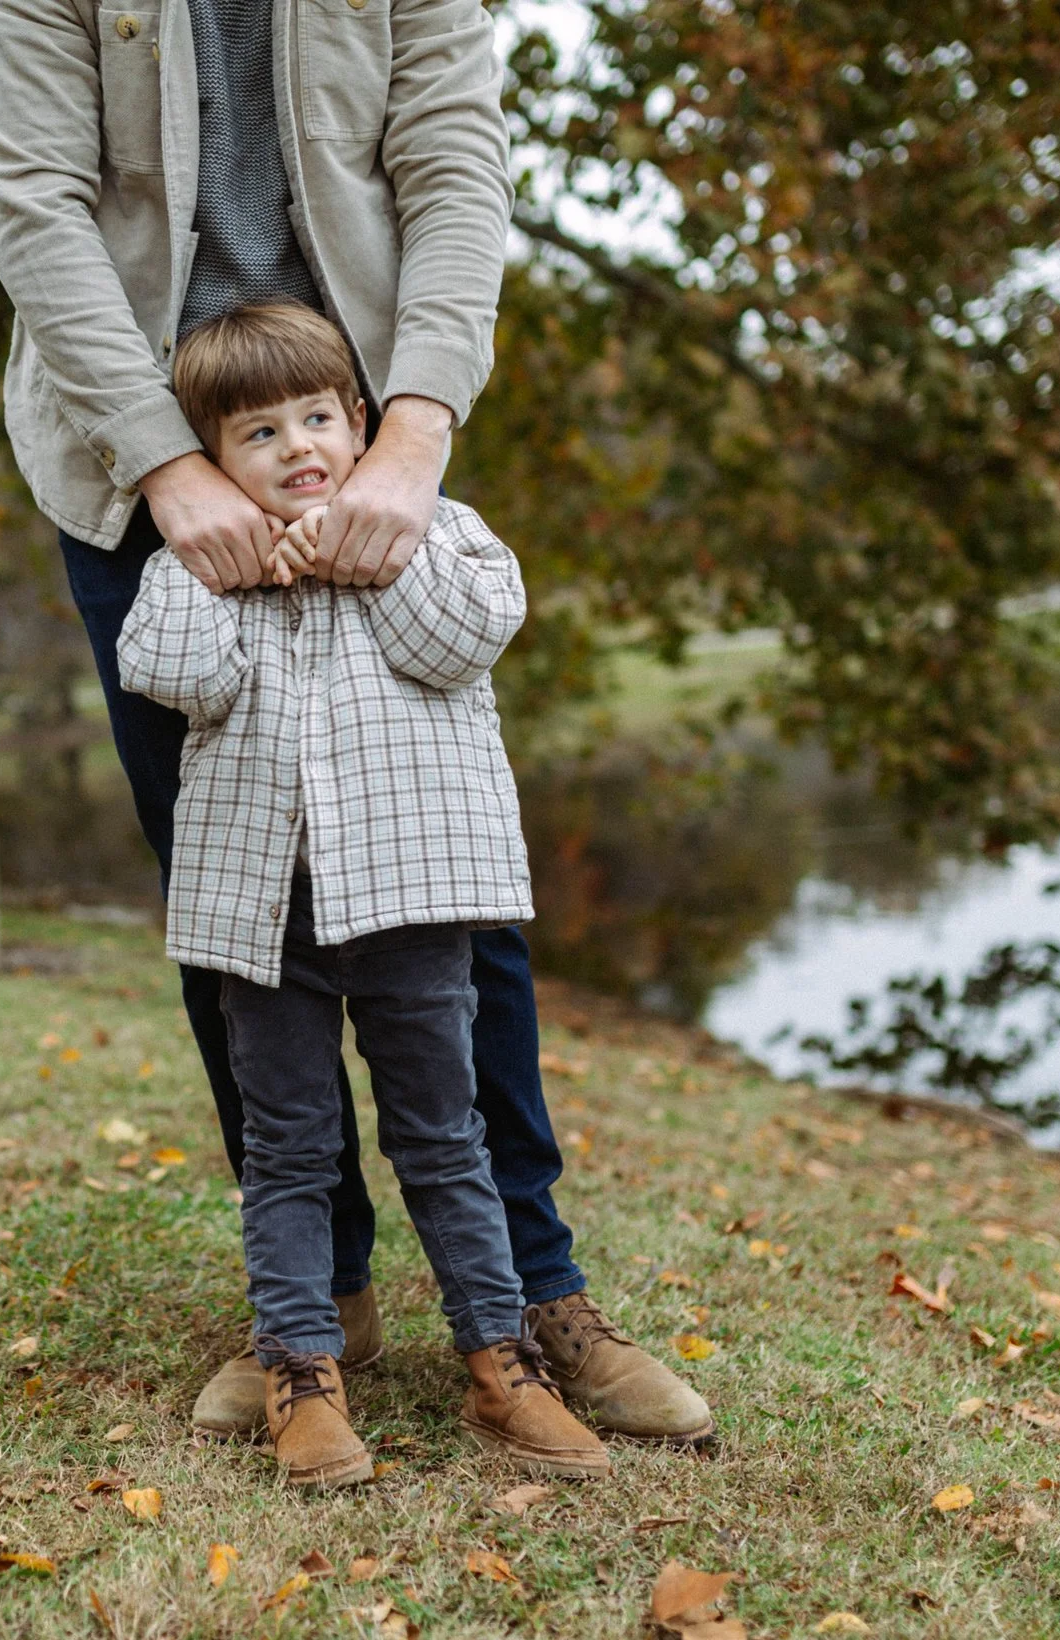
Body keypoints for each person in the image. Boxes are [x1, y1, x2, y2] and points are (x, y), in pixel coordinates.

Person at [0, 0, 713, 1444]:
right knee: (231, 901)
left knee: (452, 889)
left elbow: (452, 167)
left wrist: (412, 436)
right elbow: (34, 202)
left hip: (362, 448)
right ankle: (317, 1300)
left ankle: (535, 1290)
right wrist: (167, 469)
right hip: (143, 459)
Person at [118, 302, 613, 1484]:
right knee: (287, 1146)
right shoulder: (191, 567)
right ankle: (302, 1371)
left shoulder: (445, 532)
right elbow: (168, 672)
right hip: (263, 913)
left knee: (443, 1136)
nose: (297, 447)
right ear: (211, 461)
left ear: (362, 421)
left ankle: (502, 1361)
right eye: (258, 434)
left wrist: (353, 543)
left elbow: (459, 638)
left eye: (319, 418)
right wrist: (228, 569)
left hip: (412, 904)